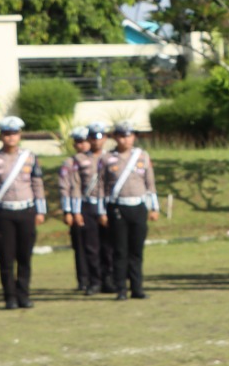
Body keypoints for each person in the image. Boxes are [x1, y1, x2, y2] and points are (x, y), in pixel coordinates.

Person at [0, 115, 46, 310]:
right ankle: (10, 297)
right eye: (7, 133)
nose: (11, 137)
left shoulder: (30, 157)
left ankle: (23, 295)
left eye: (14, 133)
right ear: (1, 135)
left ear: (20, 135)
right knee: (6, 258)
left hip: (26, 211)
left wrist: (40, 210)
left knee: (24, 256)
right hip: (3, 213)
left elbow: (37, 184)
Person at [99, 122, 159, 300]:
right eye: (122, 136)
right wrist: (101, 212)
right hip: (117, 207)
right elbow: (101, 187)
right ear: (116, 137)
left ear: (134, 137)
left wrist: (154, 207)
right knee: (120, 250)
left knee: (136, 251)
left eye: (129, 135)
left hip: (138, 206)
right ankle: (121, 289)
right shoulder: (107, 158)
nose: (126, 139)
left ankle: (137, 287)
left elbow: (150, 183)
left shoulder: (142, 156)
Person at [73, 124, 106, 295]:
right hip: (88, 205)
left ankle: (110, 280)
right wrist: (75, 211)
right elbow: (75, 187)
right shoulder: (79, 160)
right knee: (91, 247)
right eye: (92, 138)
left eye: (99, 137)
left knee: (109, 246)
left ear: (105, 138)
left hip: (108, 205)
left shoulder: (111, 157)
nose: (95, 141)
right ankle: (94, 281)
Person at [59, 128, 90, 292]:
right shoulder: (69, 163)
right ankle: (83, 280)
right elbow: (65, 188)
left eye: (85, 141)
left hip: (96, 208)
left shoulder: (99, 159)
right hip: (76, 207)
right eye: (79, 141)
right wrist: (67, 211)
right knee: (80, 246)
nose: (83, 145)